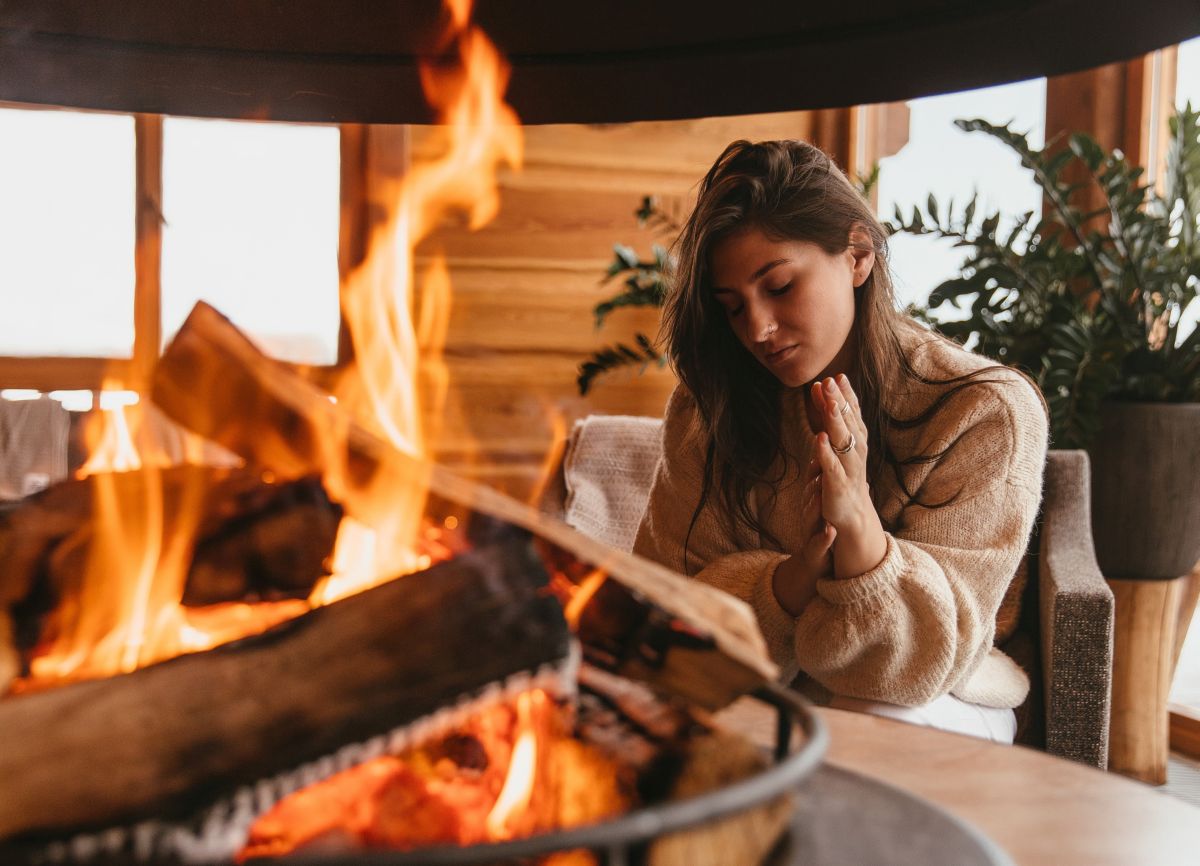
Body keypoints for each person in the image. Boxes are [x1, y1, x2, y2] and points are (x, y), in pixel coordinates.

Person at [632, 139, 1049, 743]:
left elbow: (914, 668)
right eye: (732, 308)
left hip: (936, 697)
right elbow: (663, 624)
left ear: (857, 255)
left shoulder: (983, 411)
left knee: (868, 730)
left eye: (778, 287)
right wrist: (792, 582)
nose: (758, 329)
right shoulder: (708, 408)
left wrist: (860, 538)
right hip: (766, 689)